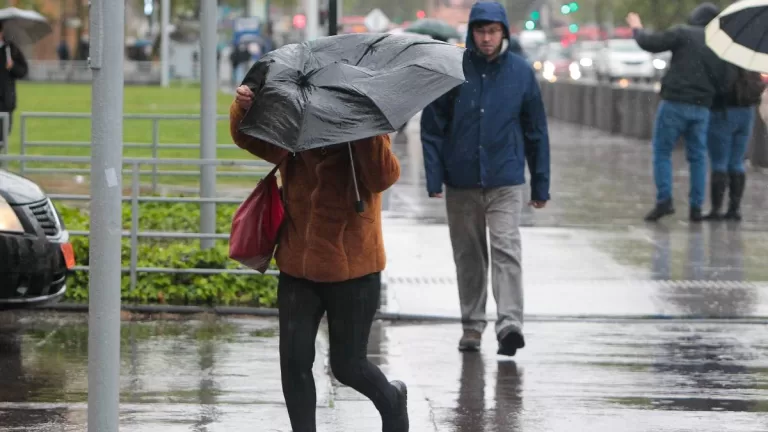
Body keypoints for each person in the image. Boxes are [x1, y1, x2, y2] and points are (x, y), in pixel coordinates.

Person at [229, 85, 409, 432]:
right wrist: (245, 109)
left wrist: (363, 126)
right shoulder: (296, 122)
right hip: (298, 263)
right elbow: (251, 139)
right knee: (293, 361)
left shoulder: (366, 120)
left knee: (348, 367)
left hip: (354, 269)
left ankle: (392, 400)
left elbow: (382, 178)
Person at [420, 1, 550, 357]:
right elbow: (432, 127)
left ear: (503, 33)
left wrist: (540, 184)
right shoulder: (454, 70)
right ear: (471, 32)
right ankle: (472, 325)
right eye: (481, 31)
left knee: (507, 249)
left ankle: (509, 324)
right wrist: (433, 177)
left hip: (505, 178)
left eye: (493, 31)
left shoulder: (521, 73)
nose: (487, 38)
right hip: (461, 180)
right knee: (469, 256)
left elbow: (536, 131)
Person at [626, 3, 729, 223]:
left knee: (662, 151)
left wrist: (637, 28)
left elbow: (650, 43)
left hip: (675, 103)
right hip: (702, 107)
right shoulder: (720, 43)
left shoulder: (683, 33)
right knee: (698, 157)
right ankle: (696, 208)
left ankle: (665, 200)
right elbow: (725, 80)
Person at [704, 64, 765, 221]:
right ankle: (734, 209)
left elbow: (718, 86)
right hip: (746, 112)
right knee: (737, 162)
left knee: (719, 162)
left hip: (723, 112)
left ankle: (716, 209)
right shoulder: (748, 60)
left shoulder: (723, 61)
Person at [0, 20, 28, 148]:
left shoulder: (11, 49)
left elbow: (23, 71)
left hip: (6, 101)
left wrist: (13, 66)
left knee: (3, 137)